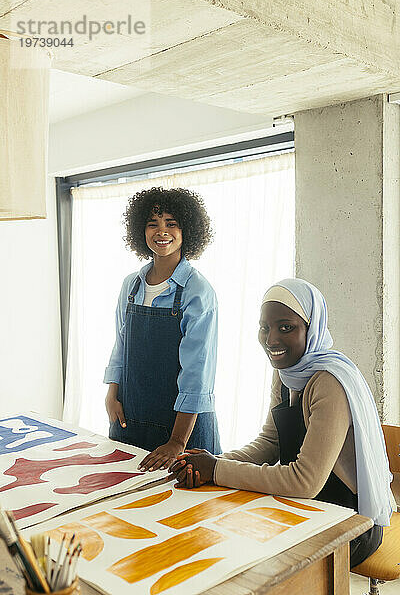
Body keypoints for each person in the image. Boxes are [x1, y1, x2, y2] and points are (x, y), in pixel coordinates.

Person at [169, 277, 394, 568]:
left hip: (347, 523)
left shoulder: (329, 383)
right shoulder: (288, 372)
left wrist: (217, 470)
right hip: (304, 509)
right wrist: (209, 463)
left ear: (311, 328)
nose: (272, 339)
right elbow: (269, 443)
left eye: (286, 327)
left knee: (243, 562)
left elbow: (304, 482)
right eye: (265, 327)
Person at [104, 186, 221, 472]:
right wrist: (111, 393)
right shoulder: (131, 285)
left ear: (187, 231)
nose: (161, 231)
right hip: (132, 417)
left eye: (171, 224)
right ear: (140, 231)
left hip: (183, 427)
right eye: (152, 224)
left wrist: (177, 442)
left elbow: (197, 372)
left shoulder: (197, 290)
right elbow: (121, 346)